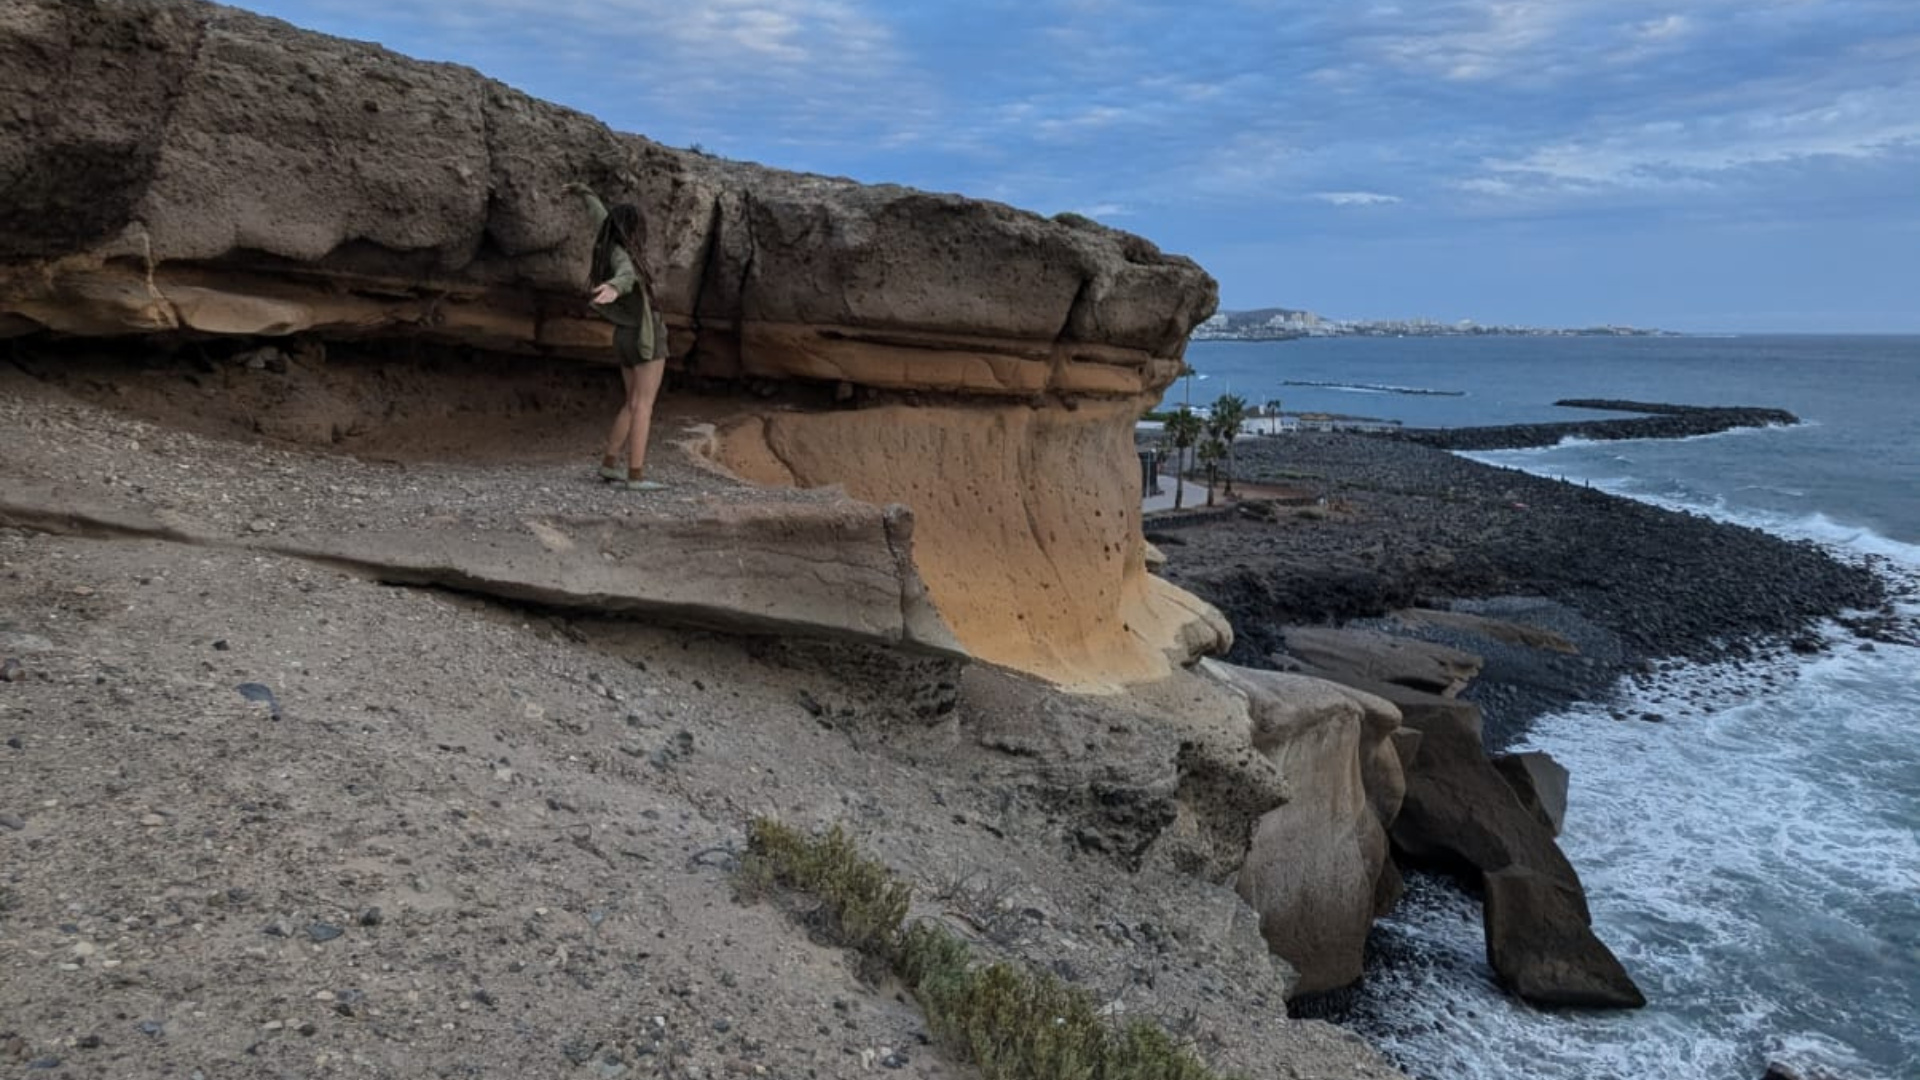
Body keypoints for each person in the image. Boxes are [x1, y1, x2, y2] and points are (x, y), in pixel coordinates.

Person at [565, 182, 668, 490]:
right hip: (645, 337)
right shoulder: (625, 257)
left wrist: (585, 193)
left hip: (624, 336)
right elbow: (626, 275)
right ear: (633, 229)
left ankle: (610, 464)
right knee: (643, 404)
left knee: (631, 401)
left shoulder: (607, 246)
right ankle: (636, 475)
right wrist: (614, 287)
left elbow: (600, 217)